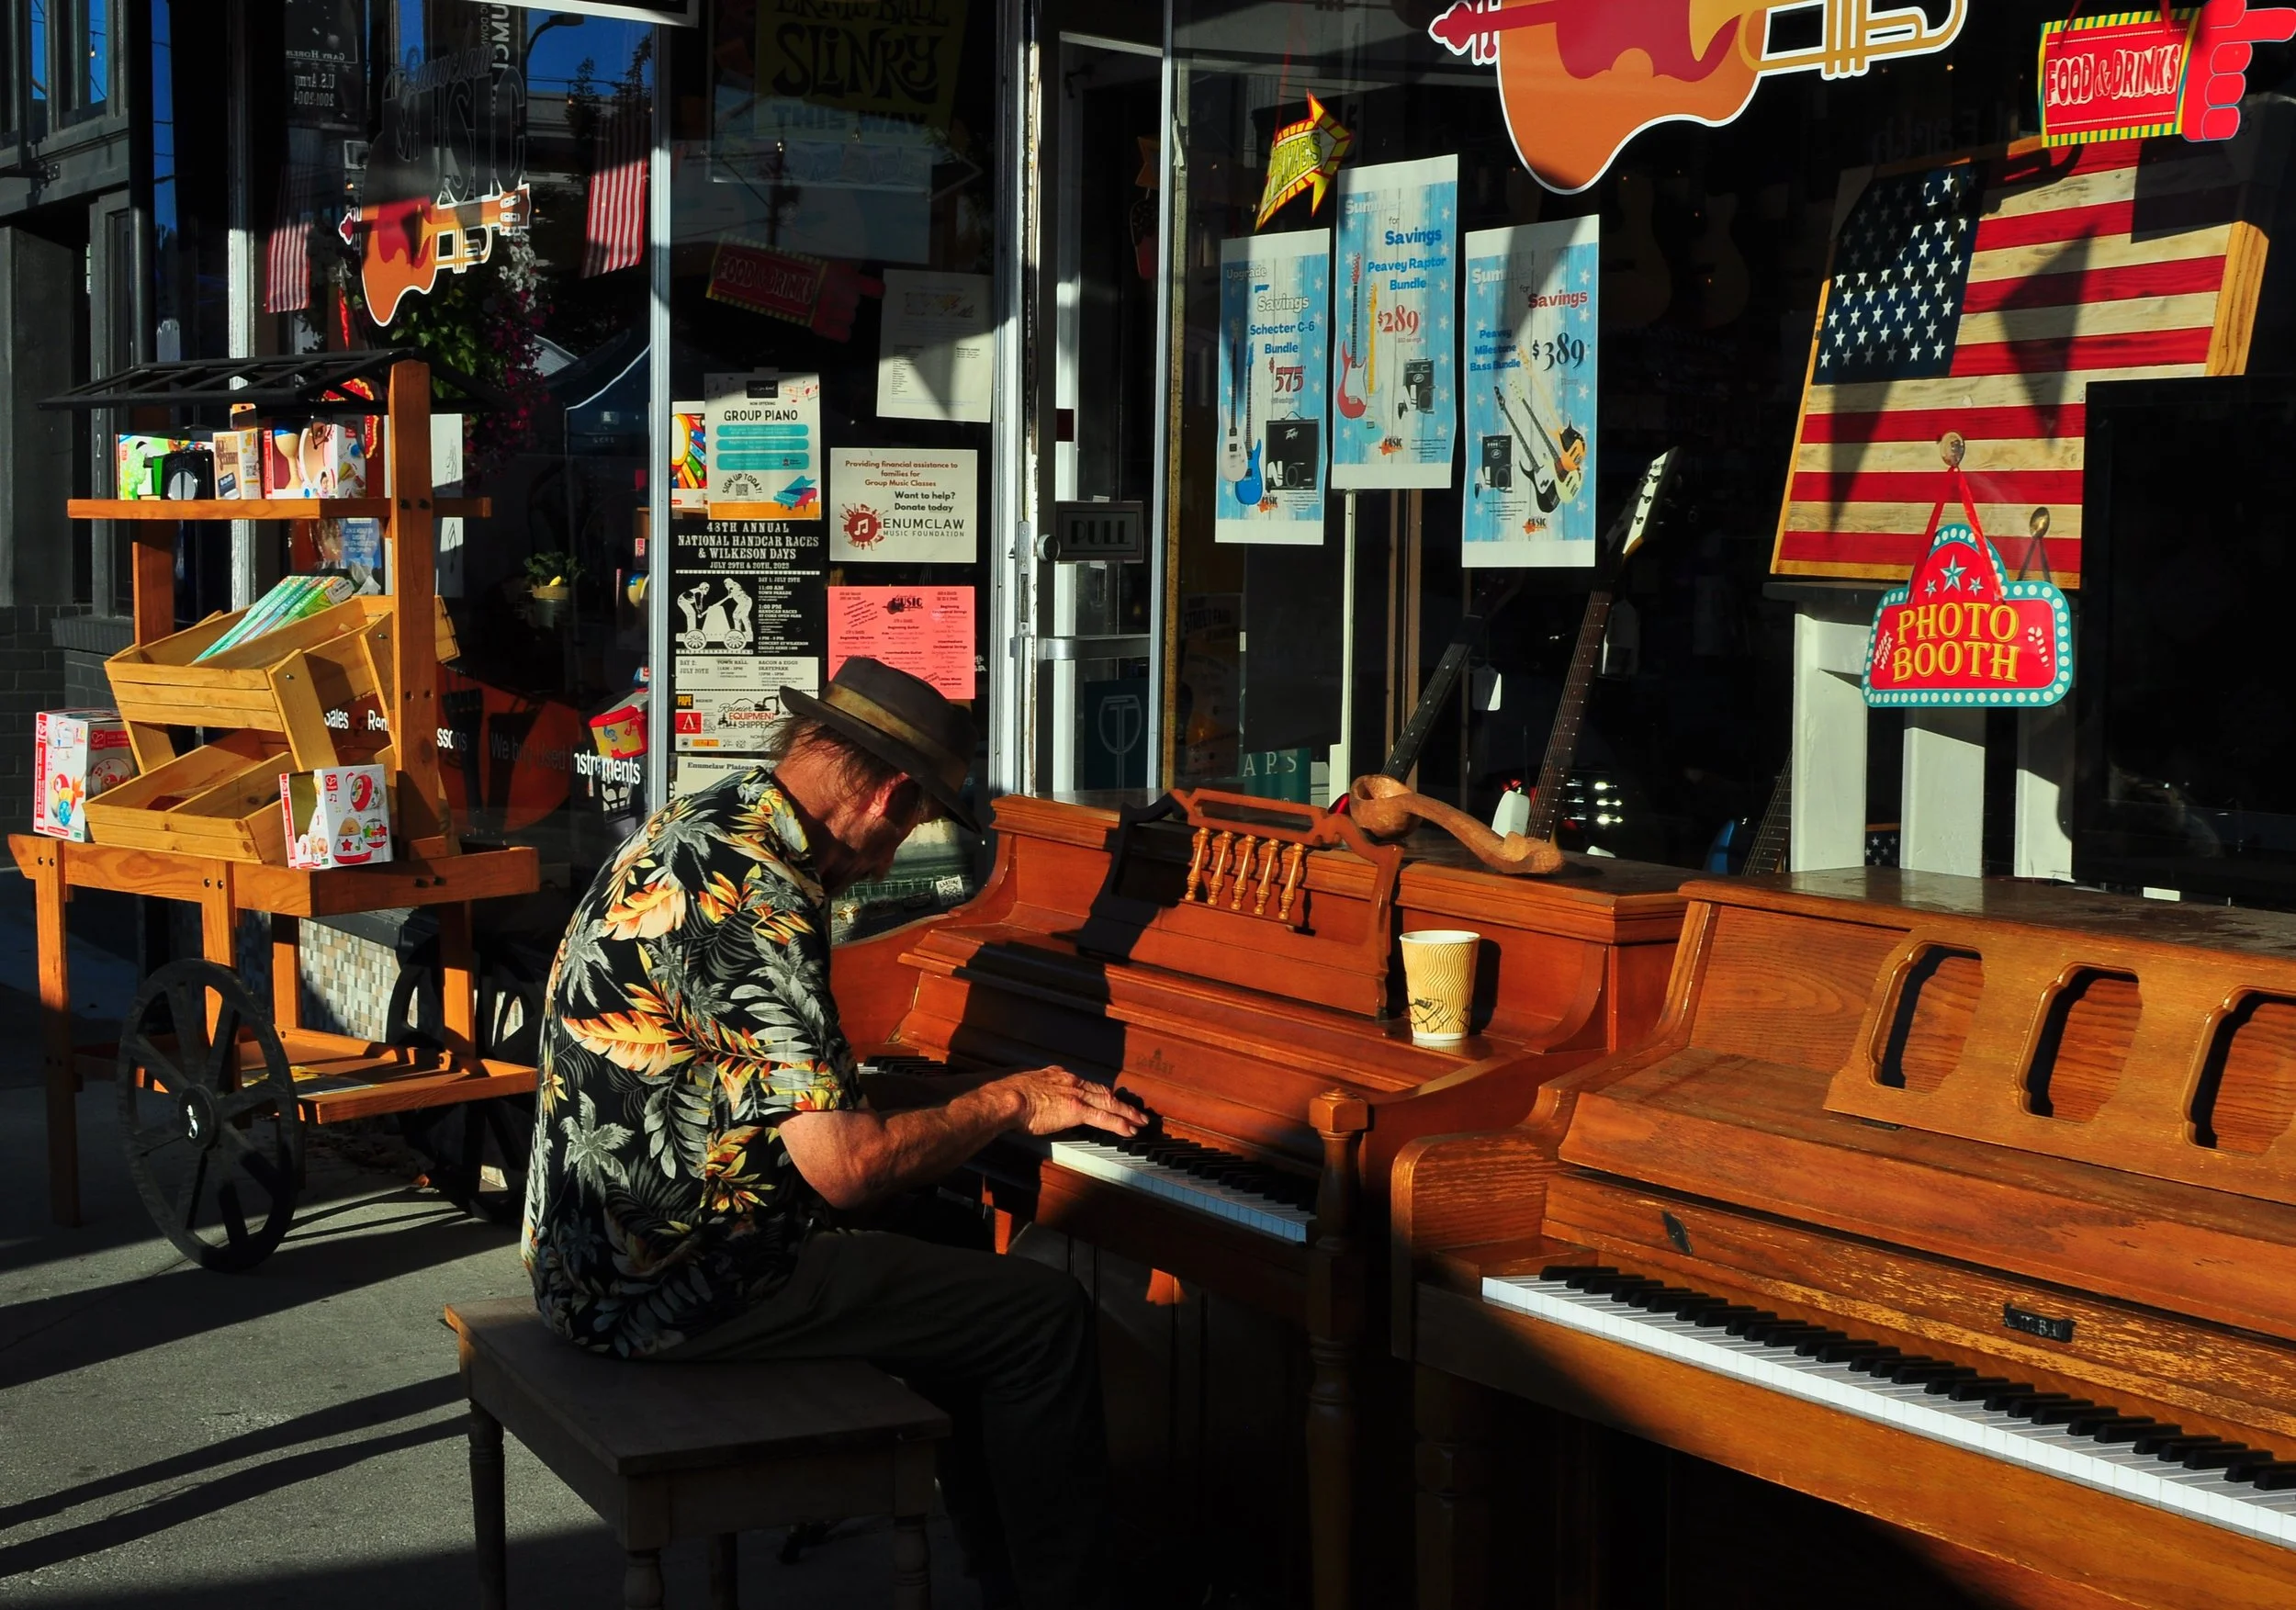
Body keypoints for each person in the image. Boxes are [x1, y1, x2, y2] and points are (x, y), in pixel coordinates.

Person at [522, 655, 1143, 1610]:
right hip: (677, 1282)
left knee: (945, 1246)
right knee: (1039, 1319)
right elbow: (847, 1170)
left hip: (585, 1255)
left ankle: (1007, 1578)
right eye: (913, 825)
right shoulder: (763, 896)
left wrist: (954, 1099)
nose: (892, 857)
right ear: (890, 793)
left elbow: (756, 1084)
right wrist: (1008, 1103)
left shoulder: (704, 821)